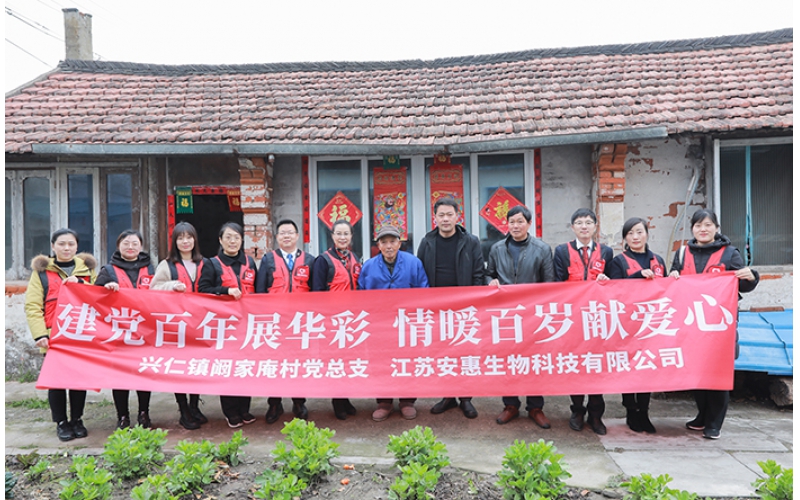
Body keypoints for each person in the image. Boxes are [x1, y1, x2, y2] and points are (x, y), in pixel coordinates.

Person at [669, 208, 759, 439]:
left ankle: (714, 423)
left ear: (716, 228)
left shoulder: (729, 254)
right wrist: (673, 276)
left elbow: (742, 284)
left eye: (708, 225)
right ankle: (702, 415)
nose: (703, 229)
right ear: (692, 229)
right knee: (697, 372)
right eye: (698, 225)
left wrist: (752, 276)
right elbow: (672, 283)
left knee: (717, 374)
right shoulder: (682, 254)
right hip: (691, 326)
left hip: (719, 327)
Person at [25, 228, 97, 441]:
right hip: (53, 335)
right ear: (53, 246)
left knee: (78, 380)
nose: (66, 248)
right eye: (62, 244)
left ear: (77, 246)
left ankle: (77, 419)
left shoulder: (87, 270)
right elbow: (33, 305)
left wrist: (81, 283)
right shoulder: (41, 272)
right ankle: (61, 422)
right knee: (56, 381)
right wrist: (40, 335)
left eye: (71, 244)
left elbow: (98, 296)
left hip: (80, 334)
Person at [487, 205, 555, 429]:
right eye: (511, 222)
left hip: (533, 315)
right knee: (509, 360)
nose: (515, 226)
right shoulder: (497, 248)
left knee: (534, 361)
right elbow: (489, 274)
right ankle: (510, 404)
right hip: (506, 314)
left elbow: (549, 283)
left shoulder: (542, 249)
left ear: (529, 224)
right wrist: (490, 281)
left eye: (520, 221)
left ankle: (535, 407)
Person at [416, 197, 485, 419]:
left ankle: (465, 398)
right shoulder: (427, 242)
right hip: (436, 309)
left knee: (464, 352)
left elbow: (478, 273)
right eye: (441, 215)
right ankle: (447, 396)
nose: (445, 219)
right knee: (442, 352)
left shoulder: (471, 241)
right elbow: (420, 273)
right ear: (435, 218)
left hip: (464, 307)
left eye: (449, 214)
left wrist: (473, 301)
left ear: (458, 216)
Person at [357, 225, 429, 421]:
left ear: (399, 243)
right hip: (379, 325)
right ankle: (384, 401)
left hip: (406, 323)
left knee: (408, 361)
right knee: (381, 362)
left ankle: (407, 401)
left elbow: (424, 292)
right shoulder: (369, 266)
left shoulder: (414, 263)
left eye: (392, 241)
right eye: (384, 242)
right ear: (378, 245)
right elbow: (361, 295)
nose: (389, 246)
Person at [553, 208, 612, 435]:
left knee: (596, 365)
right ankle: (577, 410)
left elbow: (615, 285)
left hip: (597, 319)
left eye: (588, 222)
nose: (584, 226)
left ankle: (596, 415)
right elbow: (557, 284)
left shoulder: (606, 252)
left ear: (595, 226)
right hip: (572, 319)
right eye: (579, 223)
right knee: (576, 365)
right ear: (573, 227)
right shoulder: (562, 251)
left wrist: (607, 280)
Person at [608, 217, 667, 434]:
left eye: (639, 232)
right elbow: (614, 289)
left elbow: (668, 289)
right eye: (630, 233)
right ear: (625, 238)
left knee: (647, 368)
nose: (635, 237)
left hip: (652, 324)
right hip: (627, 324)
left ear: (647, 234)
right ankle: (631, 411)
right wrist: (636, 275)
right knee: (629, 368)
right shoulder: (618, 262)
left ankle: (644, 411)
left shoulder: (658, 260)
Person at [150, 222, 210, 430]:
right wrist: (171, 285)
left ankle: (194, 406)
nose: (185, 242)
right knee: (181, 368)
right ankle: (183, 410)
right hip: (178, 326)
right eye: (181, 238)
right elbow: (154, 288)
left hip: (201, 323)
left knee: (197, 367)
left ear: (195, 240)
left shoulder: (205, 263)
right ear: (174, 242)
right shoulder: (167, 265)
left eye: (189, 237)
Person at [197, 221, 257, 428]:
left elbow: (259, 290)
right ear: (221, 240)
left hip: (247, 324)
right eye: (228, 237)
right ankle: (230, 411)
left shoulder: (250, 262)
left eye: (236, 237)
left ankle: (244, 409)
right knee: (228, 367)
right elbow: (203, 289)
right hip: (224, 325)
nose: (233, 241)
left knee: (245, 366)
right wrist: (225, 291)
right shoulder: (212, 264)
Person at [95, 229, 155, 429]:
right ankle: (122, 416)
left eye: (135, 243)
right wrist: (106, 289)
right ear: (118, 246)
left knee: (143, 373)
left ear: (141, 246)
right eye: (126, 243)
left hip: (145, 332)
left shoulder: (151, 268)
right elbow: (94, 298)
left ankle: (144, 413)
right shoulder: (108, 270)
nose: (130, 247)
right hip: (119, 332)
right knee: (120, 376)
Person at [256, 219, 314, 424]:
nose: (286, 236)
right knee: (274, 363)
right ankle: (274, 403)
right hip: (275, 322)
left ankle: (299, 402)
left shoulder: (309, 260)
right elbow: (260, 290)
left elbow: (316, 294)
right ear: (277, 237)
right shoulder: (268, 259)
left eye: (290, 232)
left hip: (300, 323)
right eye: (282, 233)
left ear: (297, 236)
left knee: (298, 363)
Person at [311, 219, 361, 420]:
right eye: (338, 233)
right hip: (332, 321)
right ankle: (337, 402)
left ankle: (346, 398)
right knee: (335, 362)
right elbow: (317, 293)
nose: (342, 237)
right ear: (332, 236)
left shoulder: (354, 258)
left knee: (348, 361)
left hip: (351, 320)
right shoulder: (323, 261)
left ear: (351, 236)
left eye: (346, 234)